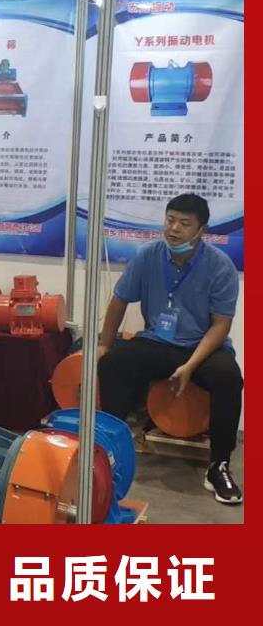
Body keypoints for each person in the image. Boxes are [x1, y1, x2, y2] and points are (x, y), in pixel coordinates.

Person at [97, 194, 243, 504]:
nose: (174, 229)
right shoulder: (148, 255)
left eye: (184, 224)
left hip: (201, 347)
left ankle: (218, 466)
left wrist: (190, 367)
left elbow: (221, 326)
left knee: (229, 377)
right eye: (170, 220)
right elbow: (119, 300)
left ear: (201, 230)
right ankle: (110, 451)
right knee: (113, 363)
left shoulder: (221, 266)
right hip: (157, 342)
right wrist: (104, 345)